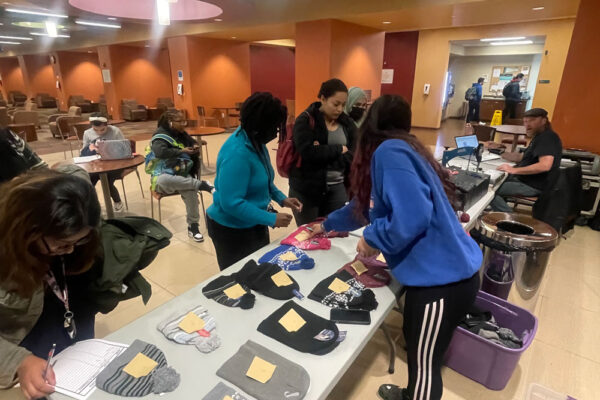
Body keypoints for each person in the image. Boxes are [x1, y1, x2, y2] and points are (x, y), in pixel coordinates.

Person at [310, 95, 481, 400]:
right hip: (448, 276)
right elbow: (363, 207)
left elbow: (412, 214)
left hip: (441, 284)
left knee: (425, 367)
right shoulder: (406, 148)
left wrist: (374, 238)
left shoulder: (390, 152)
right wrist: (326, 225)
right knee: (421, 361)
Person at [0, 170, 101, 399]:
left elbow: (74, 172)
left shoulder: (75, 213)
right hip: (20, 334)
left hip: (62, 313)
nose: (71, 249)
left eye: (80, 240)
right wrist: (18, 361)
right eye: (63, 244)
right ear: (30, 228)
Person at [207, 92, 302, 270]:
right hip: (231, 229)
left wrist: (282, 199)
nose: (276, 132)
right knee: (240, 277)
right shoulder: (236, 153)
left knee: (258, 270)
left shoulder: (256, 142)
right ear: (260, 125)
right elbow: (231, 203)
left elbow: (264, 181)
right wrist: (270, 218)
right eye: (274, 127)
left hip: (252, 222)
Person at [289, 78, 357, 225]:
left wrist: (323, 153)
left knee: (336, 232)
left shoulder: (347, 123)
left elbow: (355, 153)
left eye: (343, 105)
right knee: (308, 235)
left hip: (337, 188)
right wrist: (339, 149)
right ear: (323, 99)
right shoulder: (306, 120)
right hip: (307, 191)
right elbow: (308, 153)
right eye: (336, 104)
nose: (339, 109)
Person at [146, 110, 214, 242]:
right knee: (164, 180)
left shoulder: (181, 133)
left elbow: (191, 141)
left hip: (180, 171)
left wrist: (194, 145)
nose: (184, 123)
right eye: (181, 121)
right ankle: (201, 185)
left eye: (184, 120)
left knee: (190, 190)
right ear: (171, 122)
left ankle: (193, 226)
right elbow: (160, 152)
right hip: (162, 174)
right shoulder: (160, 135)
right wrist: (181, 151)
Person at [490, 108, 562, 212]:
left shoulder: (547, 138)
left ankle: (510, 221)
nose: (527, 125)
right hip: (526, 180)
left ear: (543, 121)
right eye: (525, 121)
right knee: (494, 179)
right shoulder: (540, 136)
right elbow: (521, 157)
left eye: (532, 121)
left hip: (532, 185)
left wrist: (514, 170)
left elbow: (545, 165)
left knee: (489, 191)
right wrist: (499, 151)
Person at [81, 113, 125, 211]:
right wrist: (90, 149)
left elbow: (124, 147)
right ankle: (92, 206)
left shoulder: (115, 131)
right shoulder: (87, 133)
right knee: (88, 182)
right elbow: (83, 152)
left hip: (114, 164)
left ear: (107, 125)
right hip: (96, 164)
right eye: (96, 130)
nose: (99, 132)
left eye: (102, 129)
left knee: (107, 183)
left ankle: (117, 201)